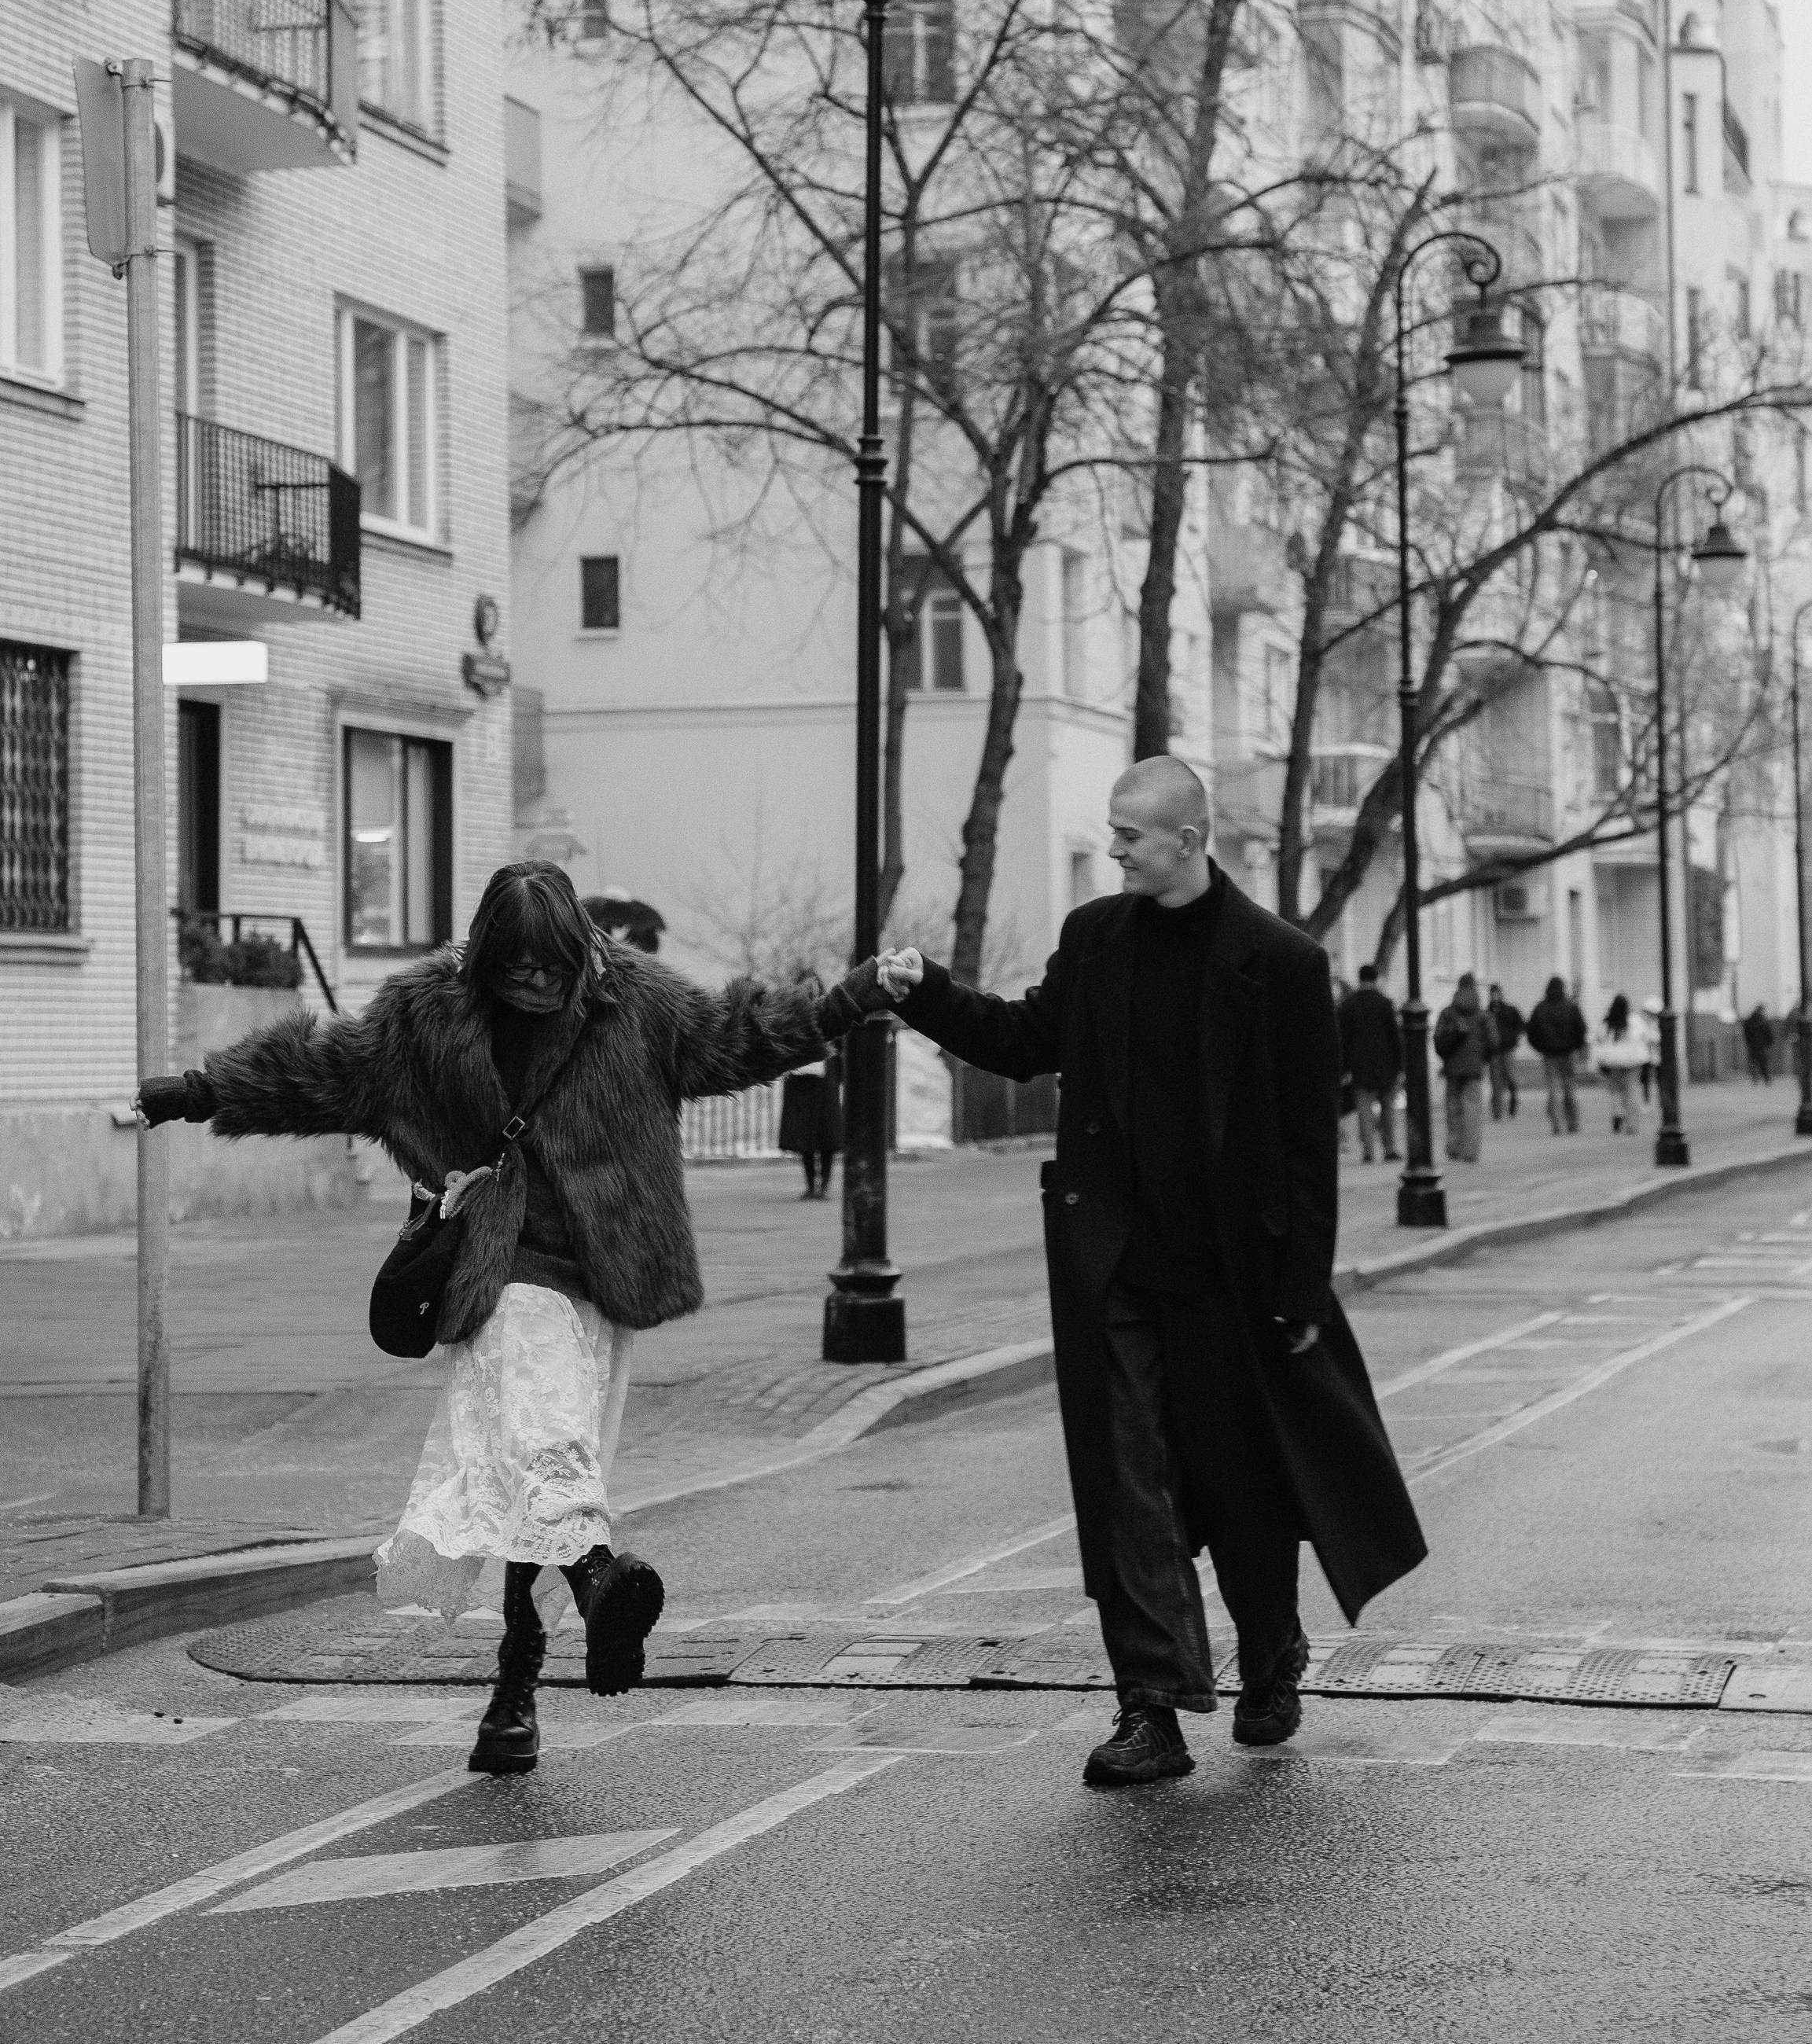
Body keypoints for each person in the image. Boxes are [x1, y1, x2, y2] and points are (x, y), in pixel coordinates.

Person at [138, 859, 862, 1778]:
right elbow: (322, 1070)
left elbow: (740, 1035)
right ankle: (595, 1579)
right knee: (545, 1438)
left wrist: (845, 1001)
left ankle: (518, 1686)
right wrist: (201, 1092)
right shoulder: (425, 1018)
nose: (532, 981)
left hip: (606, 1277)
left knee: (539, 1475)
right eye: (513, 965)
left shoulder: (638, 1004)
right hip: (498, 1269)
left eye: (550, 966)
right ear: (485, 954)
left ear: (580, 953)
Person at [855, 756, 1425, 1792]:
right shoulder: (1096, 939)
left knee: (1239, 1484)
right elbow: (1030, 1041)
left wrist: (1302, 1287)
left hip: (1233, 1275)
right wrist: (927, 992)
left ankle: (1271, 1652)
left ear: (1188, 839)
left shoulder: (1282, 963)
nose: (1113, 850)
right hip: (1114, 1267)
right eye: (1112, 833)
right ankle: (1150, 1709)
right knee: (1128, 1485)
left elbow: (1308, 1145)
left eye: (1128, 834)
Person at [1336, 964, 1402, 1164]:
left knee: (1364, 1108)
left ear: (1360, 979)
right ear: (1375, 980)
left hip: (1360, 1066)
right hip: (1385, 1064)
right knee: (1387, 1106)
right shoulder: (1385, 1003)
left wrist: (1344, 1067)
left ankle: (1368, 1150)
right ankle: (1389, 1147)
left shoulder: (1348, 1006)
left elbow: (1343, 1040)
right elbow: (1394, 1037)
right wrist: (1400, 1066)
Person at [1432, 972, 1492, 1164]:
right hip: (1474, 1068)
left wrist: (1447, 1058)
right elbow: (1493, 1041)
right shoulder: (1482, 1015)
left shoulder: (1447, 1013)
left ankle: (1454, 1147)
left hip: (1452, 1068)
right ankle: (1471, 1151)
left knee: (1453, 1107)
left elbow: (1439, 1041)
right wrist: (1483, 1058)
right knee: (1473, 1108)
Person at [1527, 974, 1588, 1131]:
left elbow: (1531, 1031)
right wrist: (1577, 1046)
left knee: (1553, 1090)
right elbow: (1581, 1029)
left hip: (1549, 1054)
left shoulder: (1541, 1008)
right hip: (1568, 1053)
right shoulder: (1571, 1007)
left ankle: (1557, 1124)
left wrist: (1539, 1047)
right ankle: (1573, 1122)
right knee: (1569, 1089)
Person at [778, 1052, 840, 1198]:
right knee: (807, 1138)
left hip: (819, 1082)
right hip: (807, 1083)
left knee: (824, 1136)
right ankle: (815, 1186)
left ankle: (820, 1186)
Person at [1597, 992, 1649, 1133]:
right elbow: (1644, 1036)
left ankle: (1617, 1113)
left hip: (1614, 1061)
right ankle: (1632, 1125)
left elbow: (1600, 1038)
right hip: (1633, 1061)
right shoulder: (1634, 1020)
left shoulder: (1608, 1022)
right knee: (1632, 1091)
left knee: (1616, 1090)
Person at [1487, 984, 1524, 1119]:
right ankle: (1497, 1111)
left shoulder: (1509, 1010)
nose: (1494, 997)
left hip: (1507, 1049)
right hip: (1494, 1051)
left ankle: (1513, 1096)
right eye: (1492, 994)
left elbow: (1520, 1025)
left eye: (1496, 994)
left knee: (1509, 1076)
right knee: (1495, 1081)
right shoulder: (1488, 1012)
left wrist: (1512, 1038)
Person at [1743, 1002, 1774, 1086]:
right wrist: (1769, 1042)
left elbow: (1746, 1033)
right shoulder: (1763, 1021)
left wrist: (1749, 1042)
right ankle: (1766, 1079)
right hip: (1762, 1045)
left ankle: (1755, 1078)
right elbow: (1768, 1033)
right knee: (1763, 1062)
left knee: (1754, 1062)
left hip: (1753, 1045)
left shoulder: (1749, 1021)